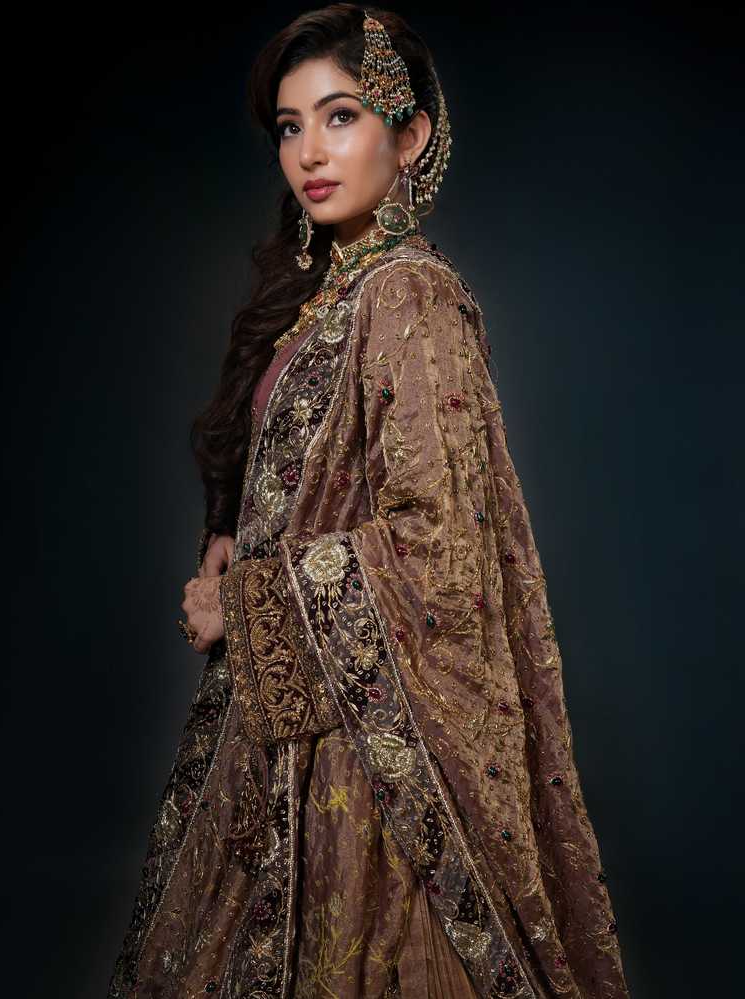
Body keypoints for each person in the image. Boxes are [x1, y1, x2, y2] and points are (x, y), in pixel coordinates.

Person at [107, 6, 631, 997]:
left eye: (340, 115)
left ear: (411, 133)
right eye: (290, 126)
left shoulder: (410, 296)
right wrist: (227, 532)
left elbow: (438, 549)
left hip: (368, 763)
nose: (309, 152)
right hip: (292, 726)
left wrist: (244, 605)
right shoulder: (331, 297)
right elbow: (306, 476)